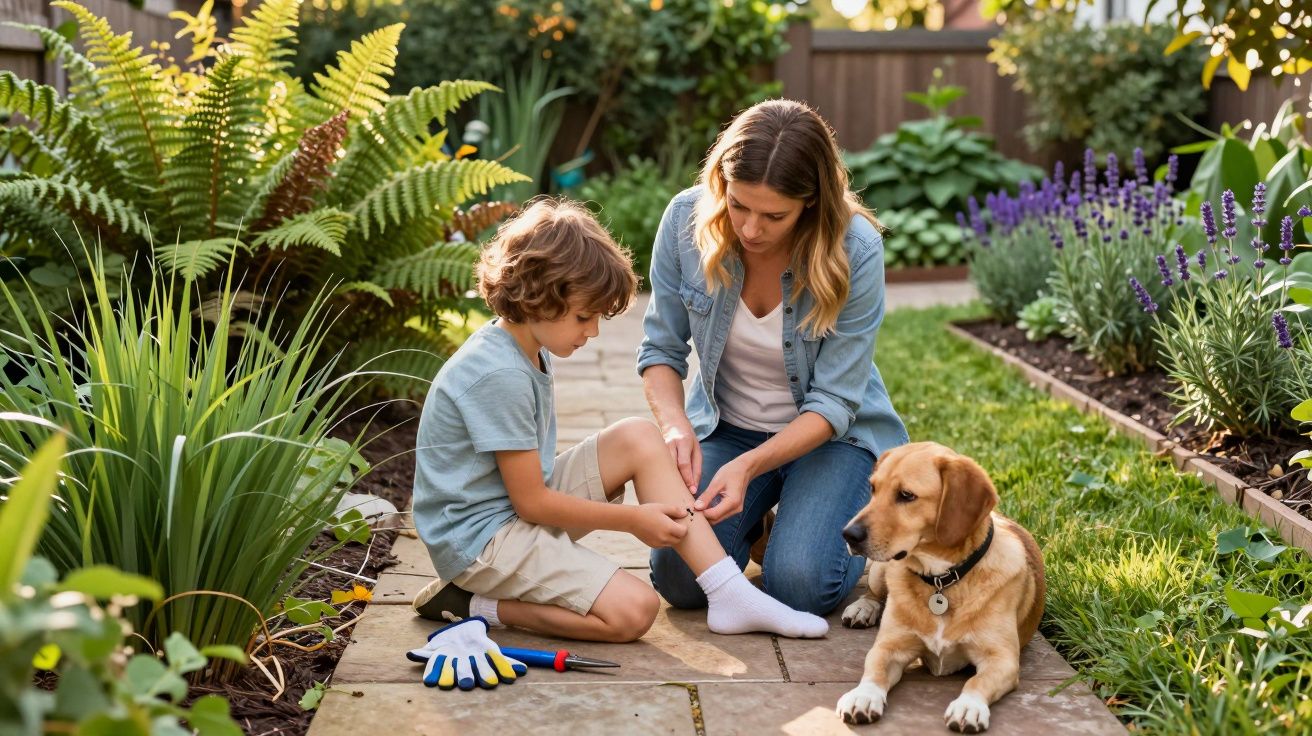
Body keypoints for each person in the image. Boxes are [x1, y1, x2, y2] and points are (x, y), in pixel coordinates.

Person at [410, 197, 828, 642]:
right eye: (583, 316)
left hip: (505, 512)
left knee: (638, 438)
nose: (591, 332)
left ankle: (726, 591)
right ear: (536, 296)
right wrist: (634, 520)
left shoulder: (521, 346)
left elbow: (527, 496)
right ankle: (474, 603)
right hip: (479, 543)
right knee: (634, 611)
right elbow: (532, 503)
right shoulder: (499, 374)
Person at [639, 99, 910, 616]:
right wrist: (676, 428)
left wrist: (750, 468)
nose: (751, 229)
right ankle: (770, 519)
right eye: (739, 205)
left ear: (811, 202)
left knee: (802, 585)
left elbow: (834, 401)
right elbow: (660, 350)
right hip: (729, 427)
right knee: (679, 581)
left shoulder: (857, 248)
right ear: (722, 183)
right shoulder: (684, 222)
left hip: (834, 440)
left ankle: (804, 519)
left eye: (774, 215)